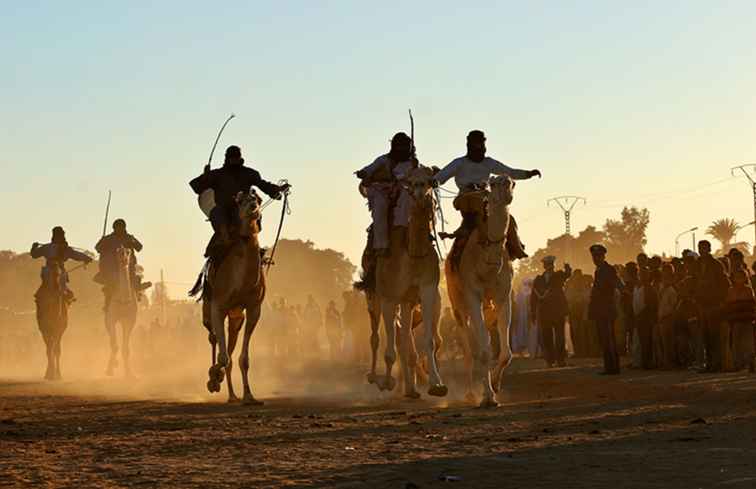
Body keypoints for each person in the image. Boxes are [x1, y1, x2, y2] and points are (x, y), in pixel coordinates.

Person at [434, 130, 541, 259]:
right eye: (476, 144)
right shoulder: (459, 163)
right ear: (469, 145)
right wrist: (433, 182)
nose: (478, 147)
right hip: (466, 199)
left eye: (481, 144)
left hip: (487, 199)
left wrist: (527, 174)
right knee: (473, 218)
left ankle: (515, 247)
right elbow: (441, 177)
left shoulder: (488, 163)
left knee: (507, 219)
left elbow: (509, 172)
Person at [189, 145, 288, 257]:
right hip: (223, 212)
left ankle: (254, 247)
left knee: (254, 214)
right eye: (232, 158)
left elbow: (263, 185)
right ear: (227, 158)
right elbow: (195, 186)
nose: (234, 160)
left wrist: (277, 190)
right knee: (217, 213)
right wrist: (205, 176)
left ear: (239, 158)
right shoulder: (217, 174)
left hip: (243, 211)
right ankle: (222, 243)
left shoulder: (249, 173)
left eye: (236, 157)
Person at [355, 132, 416, 256]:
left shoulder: (412, 163)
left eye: (405, 146)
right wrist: (363, 173)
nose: (402, 149)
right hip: (382, 191)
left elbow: (416, 177)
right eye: (400, 146)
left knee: (411, 201)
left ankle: (406, 232)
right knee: (380, 207)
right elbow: (369, 169)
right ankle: (381, 246)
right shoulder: (383, 160)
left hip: (404, 191)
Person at [30, 226, 93, 302]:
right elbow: (76, 255)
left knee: (45, 287)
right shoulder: (65, 248)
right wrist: (87, 258)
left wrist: (34, 247)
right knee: (63, 288)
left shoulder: (47, 247)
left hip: (48, 271)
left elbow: (34, 254)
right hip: (57, 272)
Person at [531, 256, 571, 367]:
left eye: (550, 264)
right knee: (546, 337)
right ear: (544, 266)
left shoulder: (558, 275)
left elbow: (567, 275)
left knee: (560, 337)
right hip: (545, 312)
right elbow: (534, 297)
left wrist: (568, 268)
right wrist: (533, 313)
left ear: (552, 265)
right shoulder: (539, 279)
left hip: (558, 311)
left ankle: (560, 359)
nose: (548, 267)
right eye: (547, 265)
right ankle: (549, 360)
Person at [695, 240, 730, 372]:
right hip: (702, 304)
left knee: (714, 336)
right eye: (700, 248)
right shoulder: (697, 265)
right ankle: (709, 364)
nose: (701, 250)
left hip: (714, 304)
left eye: (703, 248)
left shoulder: (716, 265)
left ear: (709, 249)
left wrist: (721, 302)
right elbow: (693, 282)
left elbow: (725, 284)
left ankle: (716, 364)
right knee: (705, 336)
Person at [588, 244, 621, 375]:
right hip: (600, 310)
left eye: (597, 256)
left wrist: (624, 292)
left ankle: (612, 367)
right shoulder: (599, 270)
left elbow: (616, 283)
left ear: (603, 256)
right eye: (594, 256)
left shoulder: (608, 269)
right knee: (604, 338)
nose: (595, 258)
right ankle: (610, 367)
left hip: (607, 309)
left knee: (608, 338)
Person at [724, 268, 755, 372]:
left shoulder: (748, 290)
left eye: (741, 277)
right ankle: (737, 363)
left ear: (745, 278)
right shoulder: (730, 290)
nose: (739, 280)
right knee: (736, 343)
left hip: (747, 320)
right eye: (737, 278)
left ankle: (750, 363)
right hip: (735, 321)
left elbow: (752, 305)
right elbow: (728, 306)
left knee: (748, 343)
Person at [657, 263, 679, 369]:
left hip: (669, 317)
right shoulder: (661, 286)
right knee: (664, 342)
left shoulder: (672, 288)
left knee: (670, 342)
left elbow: (673, 306)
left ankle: (670, 363)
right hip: (661, 317)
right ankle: (666, 362)